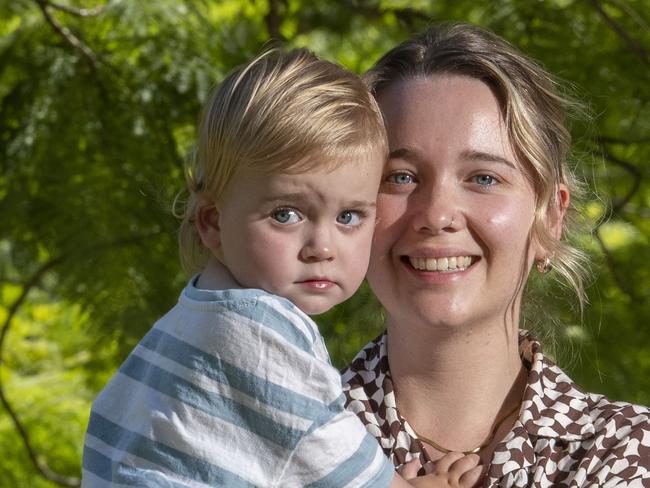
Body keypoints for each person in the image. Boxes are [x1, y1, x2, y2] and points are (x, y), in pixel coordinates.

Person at [81, 48, 482, 487]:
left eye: (349, 216)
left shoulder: (187, 323)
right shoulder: (261, 334)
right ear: (213, 222)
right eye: (286, 214)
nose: (321, 247)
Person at [341, 22, 650, 487]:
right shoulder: (265, 432)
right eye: (400, 176)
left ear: (550, 218)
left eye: (484, 177)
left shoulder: (628, 450)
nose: (437, 214)